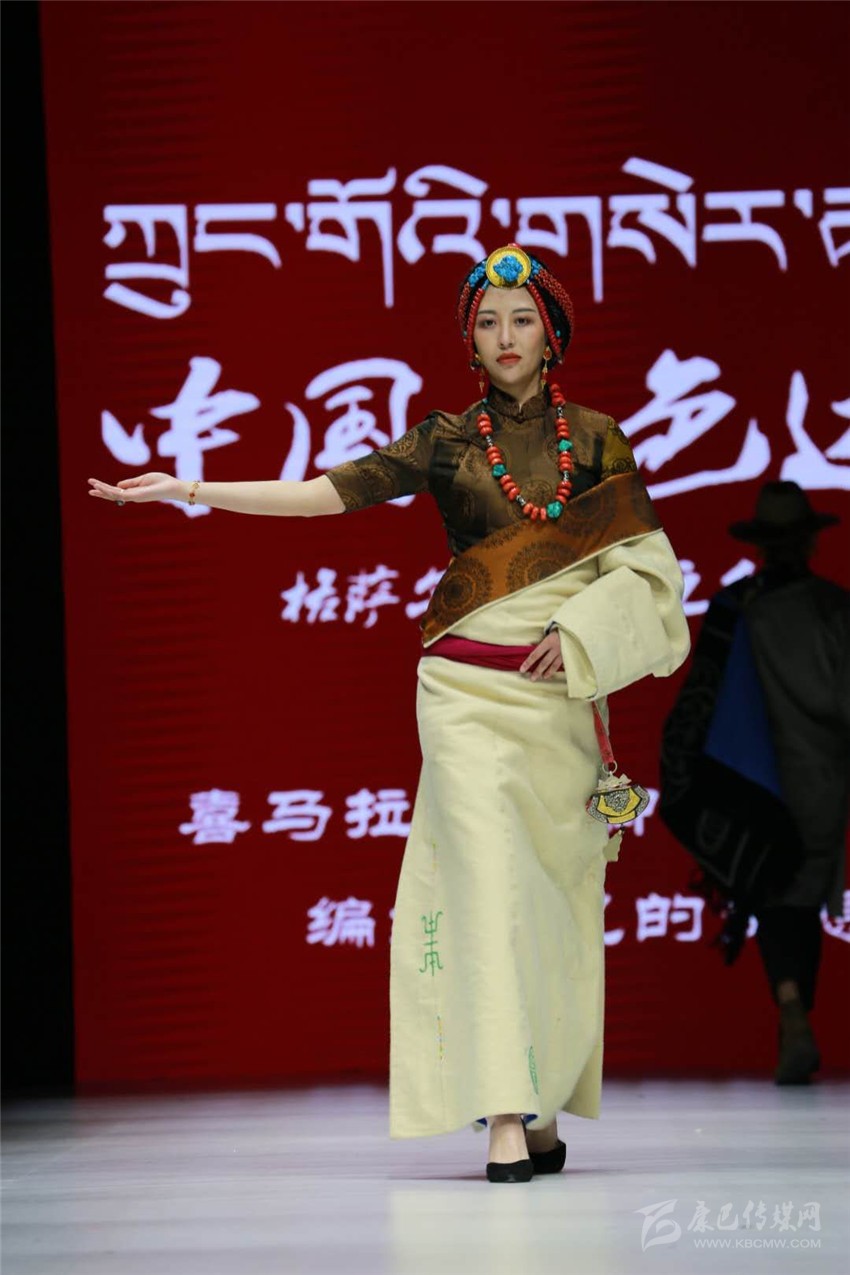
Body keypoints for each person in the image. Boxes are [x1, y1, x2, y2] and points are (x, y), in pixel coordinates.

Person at [88, 243, 691, 1182]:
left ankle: (540, 1098)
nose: (504, 336)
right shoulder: (445, 439)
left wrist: (579, 630)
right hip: (464, 693)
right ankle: (503, 1109)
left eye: (522, 319)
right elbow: (323, 495)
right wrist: (191, 489)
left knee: (547, 901)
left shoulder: (599, 439)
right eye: (487, 322)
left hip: (555, 696)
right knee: (483, 888)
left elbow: (649, 576)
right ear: (468, 338)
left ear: (552, 335)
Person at [662, 482, 848, 1085]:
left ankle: (791, 1007)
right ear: (811, 542)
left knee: (772, 897)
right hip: (820, 778)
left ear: (760, 545)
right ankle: (796, 1015)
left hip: (749, 781)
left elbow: (702, 702)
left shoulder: (735, 608)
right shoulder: (834, 610)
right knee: (800, 898)